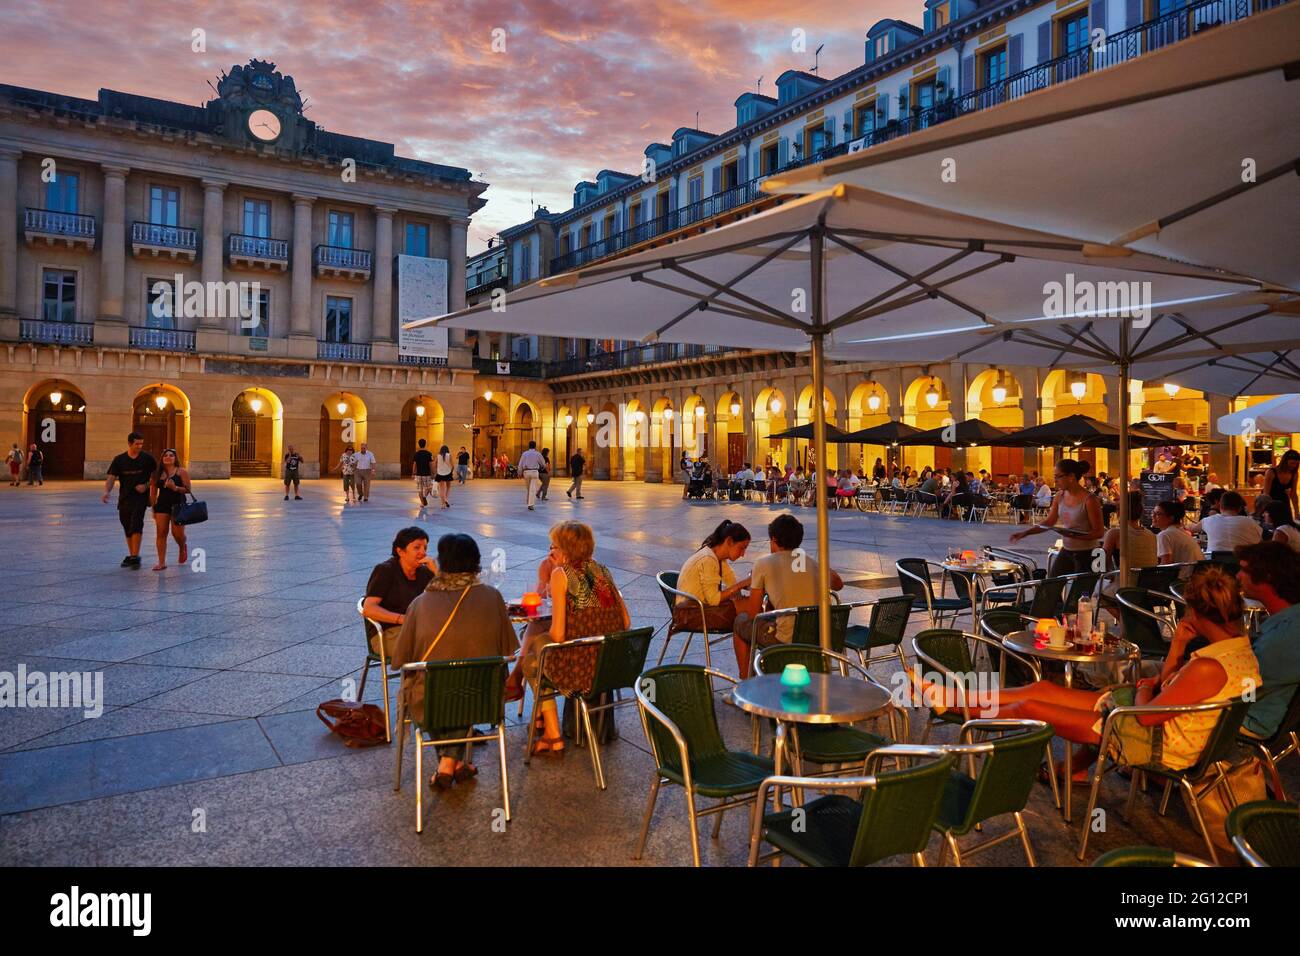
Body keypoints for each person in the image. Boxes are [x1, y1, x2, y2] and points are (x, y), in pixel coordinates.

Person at [963, 567, 1259, 778]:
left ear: (1193, 611)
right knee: (1042, 691)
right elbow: (1168, 688)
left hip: (1149, 741)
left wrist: (1144, 688)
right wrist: (1177, 646)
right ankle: (956, 697)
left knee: (1029, 706)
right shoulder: (1240, 652)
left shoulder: (1207, 667)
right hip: (1155, 727)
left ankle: (957, 707)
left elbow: (1145, 715)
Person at [388, 533, 518, 789]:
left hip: (432, 701)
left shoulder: (420, 604)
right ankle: (455, 763)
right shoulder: (492, 597)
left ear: (441, 562)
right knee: (467, 682)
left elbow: (401, 660)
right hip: (484, 698)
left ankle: (447, 763)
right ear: (477, 563)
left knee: (433, 683)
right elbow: (508, 649)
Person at [528, 521, 631, 755]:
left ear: (565, 548)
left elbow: (559, 634)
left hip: (581, 669)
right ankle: (544, 724)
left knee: (534, 657)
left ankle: (550, 733)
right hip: (611, 665)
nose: (551, 551)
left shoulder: (561, 574)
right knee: (537, 646)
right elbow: (625, 621)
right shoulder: (603, 571)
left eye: (554, 546)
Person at [732, 514, 844, 678]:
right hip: (821, 637)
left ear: (774, 540)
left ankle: (745, 681)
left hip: (786, 640)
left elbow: (753, 615)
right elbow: (839, 584)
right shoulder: (810, 562)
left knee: (740, 622)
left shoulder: (762, 564)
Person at [1235, 542, 1300, 741]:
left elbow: (1244, 689)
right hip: (1278, 715)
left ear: (1268, 577)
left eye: (1244, 570)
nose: (1238, 576)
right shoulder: (1291, 620)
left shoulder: (1282, 637)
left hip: (1247, 720)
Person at [1010, 460, 1104, 576]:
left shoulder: (1090, 500)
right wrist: (1026, 533)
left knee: (1081, 592)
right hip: (1067, 550)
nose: (1055, 480)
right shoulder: (1060, 496)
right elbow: (1049, 521)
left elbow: (1099, 532)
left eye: (1058, 477)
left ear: (1071, 476)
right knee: (1049, 589)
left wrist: (1075, 536)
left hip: (1090, 553)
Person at [364, 526, 438, 654]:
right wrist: (403, 619)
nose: (423, 552)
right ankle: (415, 674)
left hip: (418, 630)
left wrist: (436, 572)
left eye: (425, 548)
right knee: (429, 648)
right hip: (387, 634)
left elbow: (447, 598)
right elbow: (369, 608)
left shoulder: (424, 572)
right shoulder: (385, 570)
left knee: (449, 642)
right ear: (400, 551)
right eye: (417, 547)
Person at [675, 520, 752, 637]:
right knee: (748, 614)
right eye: (741, 548)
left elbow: (731, 582)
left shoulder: (716, 556)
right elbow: (714, 599)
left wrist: (748, 585)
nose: (743, 554)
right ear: (729, 541)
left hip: (695, 607)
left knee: (746, 605)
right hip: (690, 613)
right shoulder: (708, 559)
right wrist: (742, 586)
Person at [102, 432, 157, 569]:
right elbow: (111, 478)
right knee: (127, 525)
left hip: (141, 498)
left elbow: (157, 475)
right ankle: (132, 554)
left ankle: (134, 556)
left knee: (136, 524)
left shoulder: (148, 459)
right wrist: (106, 492)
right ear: (129, 443)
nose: (140, 446)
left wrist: (146, 486)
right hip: (125, 498)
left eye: (141, 444)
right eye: (137, 444)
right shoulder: (119, 460)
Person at [1101, 490, 1159, 573]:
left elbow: (1100, 565)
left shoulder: (1115, 534)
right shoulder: (1151, 535)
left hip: (1125, 583)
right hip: (1147, 583)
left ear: (1119, 512)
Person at [1192, 490, 1262, 557]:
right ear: (1240, 508)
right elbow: (1259, 543)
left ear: (1220, 506)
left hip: (1214, 566)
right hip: (1242, 564)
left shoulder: (1208, 521)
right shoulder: (1250, 522)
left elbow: (1193, 528)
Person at [1153, 499, 1205, 570]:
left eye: (1158, 514)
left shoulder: (1164, 535)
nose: (1153, 516)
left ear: (1171, 518)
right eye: (1153, 513)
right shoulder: (1181, 532)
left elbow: (1165, 566)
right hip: (1198, 576)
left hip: (1185, 579)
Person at [1264, 450, 1300, 521]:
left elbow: (1293, 494)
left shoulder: (1294, 474)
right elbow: (1266, 494)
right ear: (1284, 461)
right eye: (1292, 463)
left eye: (1296, 464)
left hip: (1284, 502)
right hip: (1271, 502)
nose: (1294, 466)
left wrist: (1297, 512)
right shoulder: (1271, 472)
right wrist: (1266, 510)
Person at [518, 440, 546, 510]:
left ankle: (528, 501)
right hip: (534, 472)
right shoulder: (538, 454)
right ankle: (530, 504)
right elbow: (543, 463)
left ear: (529, 446)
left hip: (526, 472)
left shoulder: (524, 453)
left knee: (528, 488)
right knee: (532, 489)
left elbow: (520, 463)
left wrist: (519, 472)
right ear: (535, 446)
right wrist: (543, 466)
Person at [412, 439, 434, 508]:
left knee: (420, 489)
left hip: (419, 474)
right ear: (425, 444)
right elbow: (431, 464)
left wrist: (413, 473)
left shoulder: (416, 454)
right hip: (427, 474)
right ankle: (424, 497)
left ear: (419, 444)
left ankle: (422, 503)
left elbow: (414, 464)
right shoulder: (429, 453)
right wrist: (433, 473)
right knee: (429, 487)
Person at [433, 444, 454, 509]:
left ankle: (442, 504)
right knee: (448, 487)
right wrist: (451, 472)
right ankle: (446, 500)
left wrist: (435, 472)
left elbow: (434, 465)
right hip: (448, 472)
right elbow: (452, 465)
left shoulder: (438, 456)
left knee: (441, 489)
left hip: (440, 473)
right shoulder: (449, 455)